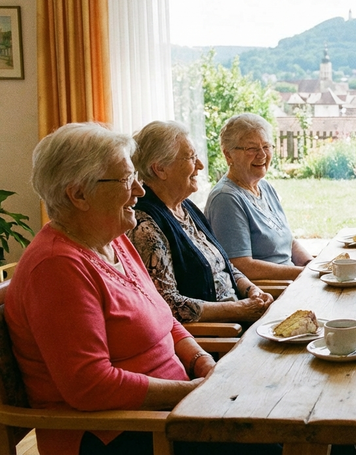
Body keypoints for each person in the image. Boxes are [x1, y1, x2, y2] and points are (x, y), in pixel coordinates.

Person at [5, 122, 280, 455]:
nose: (139, 189)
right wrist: (191, 390)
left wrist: (201, 361)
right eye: (125, 179)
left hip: (171, 409)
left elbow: (165, 316)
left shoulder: (116, 240)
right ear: (78, 194)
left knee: (284, 405)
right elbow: (91, 386)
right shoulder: (56, 267)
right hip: (124, 432)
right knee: (284, 438)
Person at [127, 121, 274, 323]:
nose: (200, 165)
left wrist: (251, 290)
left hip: (240, 317)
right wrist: (239, 309)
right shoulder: (145, 225)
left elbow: (222, 264)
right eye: (191, 158)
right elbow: (168, 304)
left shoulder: (186, 207)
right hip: (219, 332)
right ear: (160, 168)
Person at [205, 113, 313, 280]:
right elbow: (241, 267)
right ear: (228, 155)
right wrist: (305, 274)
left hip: (293, 280)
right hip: (272, 289)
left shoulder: (265, 187)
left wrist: (311, 264)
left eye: (266, 146)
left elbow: (288, 242)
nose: (262, 154)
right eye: (252, 148)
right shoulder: (226, 199)